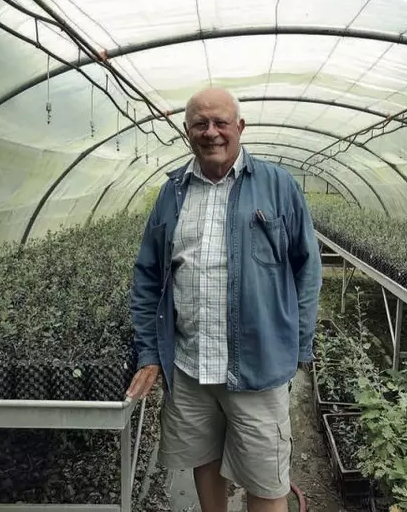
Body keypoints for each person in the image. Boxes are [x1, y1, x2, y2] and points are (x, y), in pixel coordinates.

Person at [127, 86, 322, 512]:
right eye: (200, 123)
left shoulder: (277, 185)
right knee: (204, 459)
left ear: (240, 128)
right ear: (187, 132)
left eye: (220, 123)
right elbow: (147, 275)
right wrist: (149, 352)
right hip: (191, 365)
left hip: (258, 365)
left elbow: (307, 270)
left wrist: (298, 346)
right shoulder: (172, 192)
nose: (210, 132)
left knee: (266, 479)